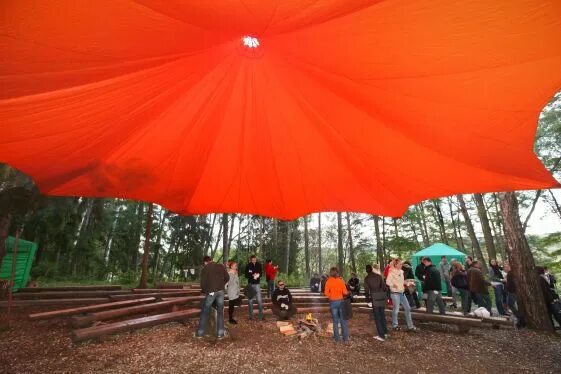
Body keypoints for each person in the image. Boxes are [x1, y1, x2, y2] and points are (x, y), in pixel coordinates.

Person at [195, 256, 230, 339]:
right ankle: (220, 333)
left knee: (205, 311)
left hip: (211, 292)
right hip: (221, 291)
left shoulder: (205, 268)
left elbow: (202, 284)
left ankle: (200, 333)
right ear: (212, 260)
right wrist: (221, 284)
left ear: (205, 262)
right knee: (220, 312)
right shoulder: (221, 266)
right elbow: (227, 278)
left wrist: (206, 290)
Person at [386, 259, 418, 331]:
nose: (401, 265)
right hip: (395, 293)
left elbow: (402, 281)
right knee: (396, 309)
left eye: (401, 264)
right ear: (395, 265)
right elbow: (387, 281)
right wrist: (393, 285)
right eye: (400, 264)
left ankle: (410, 326)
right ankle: (395, 325)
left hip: (402, 293)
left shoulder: (401, 272)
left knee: (408, 308)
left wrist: (409, 283)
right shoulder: (391, 272)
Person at [324, 267, 350, 342]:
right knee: (343, 320)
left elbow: (326, 293)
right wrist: (349, 292)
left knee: (335, 321)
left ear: (331, 273)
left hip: (333, 302)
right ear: (337, 272)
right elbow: (345, 292)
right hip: (341, 302)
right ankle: (346, 339)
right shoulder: (341, 280)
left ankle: (337, 339)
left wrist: (330, 295)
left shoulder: (328, 281)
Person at [364, 264, 388, 341]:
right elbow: (384, 287)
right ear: (372, 269)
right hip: (381, 295)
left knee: (377, 317)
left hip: (374, 296)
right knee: (382, 315)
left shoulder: (367, 278)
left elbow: (367, 290)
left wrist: (367, 299)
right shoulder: (378, 276)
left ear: (366, 270)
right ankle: (385, 332)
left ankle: (381, 336)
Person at [504, 263, 525, 328]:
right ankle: (520, 318)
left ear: (510, 267)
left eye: (506, 267)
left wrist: (509, 288)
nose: (505, 268)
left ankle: (520, 318)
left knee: (510, 304)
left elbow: (511, 284)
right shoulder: (510, 273)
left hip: (513, 291)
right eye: (504, 267)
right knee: (512, 304)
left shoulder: (510, 273)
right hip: (513, 291)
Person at [245, 255, 264, 321]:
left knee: (259, 300)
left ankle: (261, 316)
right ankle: (251, 317)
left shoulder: (259, 265)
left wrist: (258, 275)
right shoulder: (248, 265)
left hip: (257, 284)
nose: (254, 261)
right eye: (253, 260)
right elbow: (246, 275)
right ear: (251, 260)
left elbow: (261, 273)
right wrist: (252, 275)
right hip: (250, 284)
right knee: (250, 301)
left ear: (256, 259)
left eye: (255, 260)